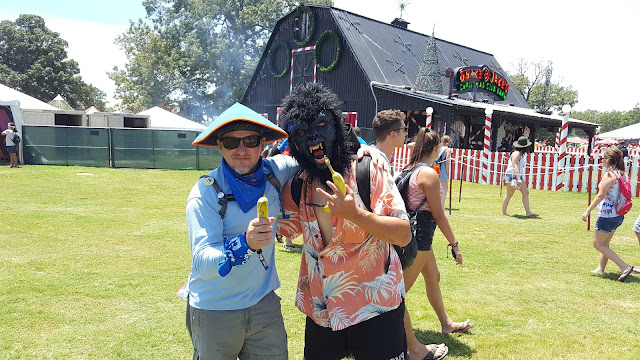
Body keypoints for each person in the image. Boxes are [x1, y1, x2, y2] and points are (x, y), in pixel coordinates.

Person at [277, 83, 411, 360]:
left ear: (337, 127)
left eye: (322, 124)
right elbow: (281, 228)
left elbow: (403, 235)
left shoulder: (367, 169)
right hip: (322, 312)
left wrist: (356, 215)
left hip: (375, 306)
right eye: (300, 131)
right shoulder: (296, 188)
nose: (313, 136)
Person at [184, 102, 298, 360]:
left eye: (250, 140)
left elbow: (311, 158)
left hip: (263, 305)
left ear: (262, 144)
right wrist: (244, 243)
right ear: (219, 146)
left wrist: (363, 152)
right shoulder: (205, 192)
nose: (242, 150)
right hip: (215, 309)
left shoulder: (275, 171)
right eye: (231, 142)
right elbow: (202, 261)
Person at [402, 128, 472, 360]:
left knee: (433, 277)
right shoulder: (429, 174)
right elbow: (439, 215)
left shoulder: (409, 169)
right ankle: (400, 342)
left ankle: (446, 323)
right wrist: (455, 244)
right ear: (436, 149)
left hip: (416, 237)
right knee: (396, 295)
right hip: (420, 238)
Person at [582, 148, 640, 282]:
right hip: (618, 215)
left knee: (598, 244)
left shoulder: (609, 175)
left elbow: (600, 195)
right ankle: (600, 269)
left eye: (603, 158)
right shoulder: (622, 174)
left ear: (608, 160)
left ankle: (624, 266)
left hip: (607, 215)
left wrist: (587, 211)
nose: (601, 161)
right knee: (605, 244)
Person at [502, 136, 539, 217]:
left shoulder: (517, 153)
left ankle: (527, 212)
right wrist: (518, 178)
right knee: (511, 194)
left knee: (522, 193)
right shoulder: (517, 153)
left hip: (515, 175)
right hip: (513, 175)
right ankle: (505, 212)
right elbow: (514, 165)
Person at [434, 135, 452, 209]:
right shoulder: (448, 150)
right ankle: (441, 206)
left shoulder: (439, 148)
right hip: (443, 169)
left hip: (436, 168)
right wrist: (447, 171)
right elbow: (447, 162)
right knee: (445, 188)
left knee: (437, 188)